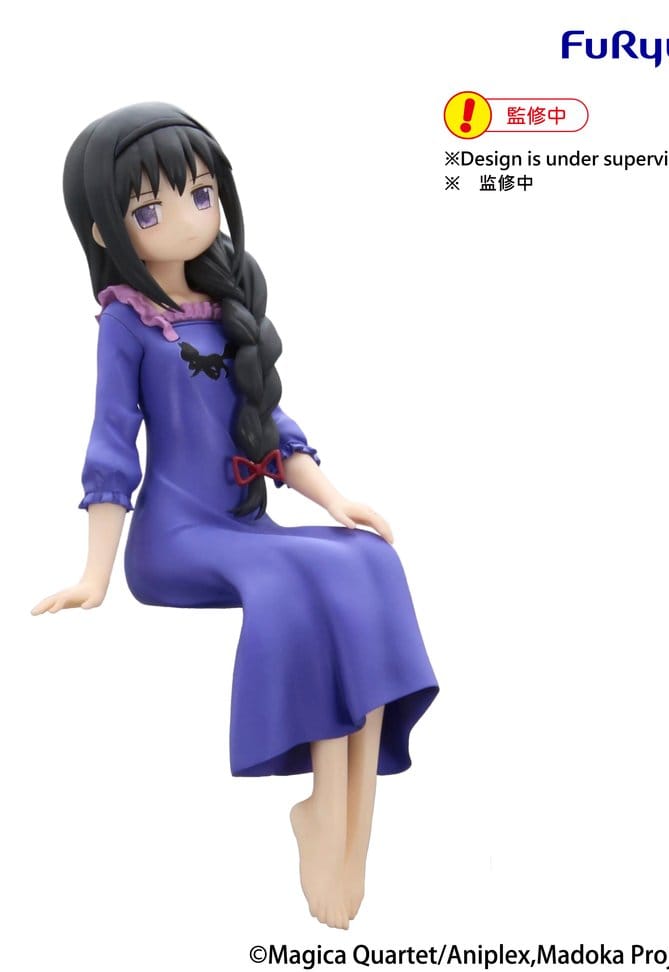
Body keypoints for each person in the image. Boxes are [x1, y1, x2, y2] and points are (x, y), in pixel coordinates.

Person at [32, 102, 438, 930]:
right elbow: (112, 442)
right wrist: (94, 574)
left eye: (201, 194)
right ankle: (326, 812)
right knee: (301, 573)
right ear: (108, 230)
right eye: (151, 209)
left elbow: (269, 424)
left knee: (366, 558)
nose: (187, 218)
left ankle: (345, 824)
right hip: (176, 540)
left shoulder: (226, 308)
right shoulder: (126, 321)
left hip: (247, 528)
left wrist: (333, 497)